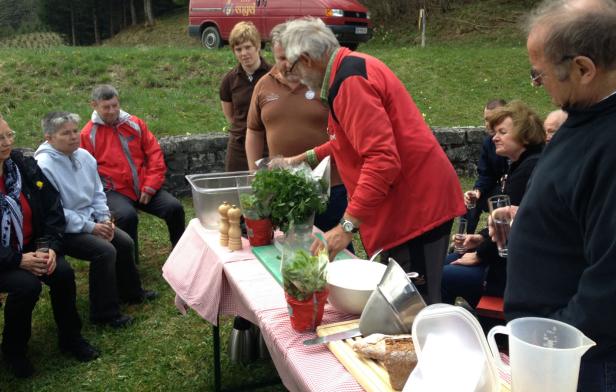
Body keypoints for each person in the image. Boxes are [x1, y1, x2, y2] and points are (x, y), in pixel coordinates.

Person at [281, 18, 465, 304]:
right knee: (398, 303)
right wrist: (299, 159)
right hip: (406, 208)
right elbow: (345, 141)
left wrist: (346, 227)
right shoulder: (347, 70)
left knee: (413, 308)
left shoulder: (350, 82)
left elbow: (382, 160)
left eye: (292, 68)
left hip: (415, 211)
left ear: (307, 59)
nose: (296, 78)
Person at [492, 1, 616, 390]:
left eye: (539, 74)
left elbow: (610, 281)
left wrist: (553, 341)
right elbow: (577, 203)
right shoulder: (584, 114)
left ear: (583, 68)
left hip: (580, 361)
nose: (538, 83)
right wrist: (529, 216)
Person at [35, 112, 157, 328]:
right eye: (66, 133)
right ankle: (104, 314)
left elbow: (98, 193)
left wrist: (104, 219)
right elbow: (55, 212)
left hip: (91, 220)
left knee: (124, 241)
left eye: (75, 131)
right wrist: (91, 227)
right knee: (104, 250)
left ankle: (130, 292)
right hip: (64, 230)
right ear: (49, 138)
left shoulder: (84, 156)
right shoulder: (44, 166)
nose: (74, 136)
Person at [0, 115, 98, 378]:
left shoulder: (22, 164)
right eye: (0, 138)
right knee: (27, 286)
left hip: (32, 246)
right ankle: (13, 352)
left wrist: (49, 246)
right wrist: (17, 260)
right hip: (5, 258)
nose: (7, 143)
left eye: (10, 135)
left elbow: (52, 207)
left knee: (63, 274)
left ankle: (70, 338)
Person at [245, 22, 350, 236]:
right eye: (280, 58)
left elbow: (346, 133)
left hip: (330, 184)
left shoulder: (321, 81)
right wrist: (255, 173)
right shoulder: (264, 85)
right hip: (285, 186)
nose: (286, 64)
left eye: (290, 58)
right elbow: (254, 130)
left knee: (335, 247)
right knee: (291, 246)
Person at [442, 100, 544, 309]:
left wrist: (480, 254)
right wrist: (479, 238)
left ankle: (462, 326)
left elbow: (509, 229)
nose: (495, 137)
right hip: (506, 264)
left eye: (502, 132)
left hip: (512, 276)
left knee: (443, 275)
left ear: (524, 135)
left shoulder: (528, 169)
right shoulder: (521, 165)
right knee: (448, 261)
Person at [80, 84, 185, 264]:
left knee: (174, 208)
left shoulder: (135, 124)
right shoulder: (87, 135)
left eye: (115, 105)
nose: (112, 111)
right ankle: (130, 268)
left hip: (144, 185)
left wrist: (151, 185)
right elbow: (86, 172)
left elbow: (154, 153)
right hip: (113, 191)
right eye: (106, 107)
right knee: (127, 217)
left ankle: (182, 255)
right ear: (94, 105)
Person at [220, 21, 271, 171]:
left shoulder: (273, 75)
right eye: (238, 49)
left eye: (248, 47)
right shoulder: (229, 80)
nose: (244, 53)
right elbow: (230, 115)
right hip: (238, 146)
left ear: (258, 46)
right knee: (236, 191)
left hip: (268, 144)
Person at [462, 99, 509, 234]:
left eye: (491, 120)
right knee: (471, 202)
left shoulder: (516, 139)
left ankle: (496, 238)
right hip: (497, 189)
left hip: (514, 191)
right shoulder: (488, 143)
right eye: (485, 120)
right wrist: (478, 191)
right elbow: (485, 174)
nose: (487, 125)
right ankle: (466, 237)